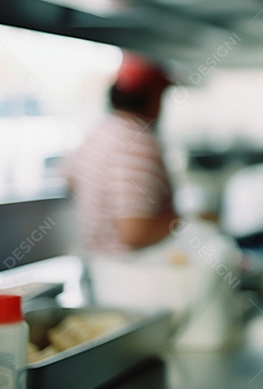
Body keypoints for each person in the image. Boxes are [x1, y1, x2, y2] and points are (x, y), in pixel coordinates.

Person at [64, 52, 178, 253]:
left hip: (98, 261)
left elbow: (69, 179)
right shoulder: (138, 142)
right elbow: (134, 234)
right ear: (151, 97)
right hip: (129, 267)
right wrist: (181, 221)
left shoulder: (98, 132)